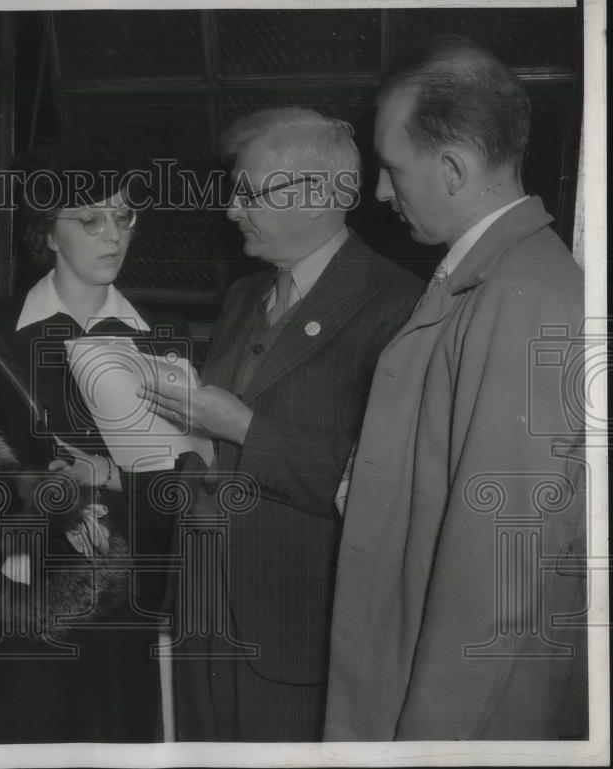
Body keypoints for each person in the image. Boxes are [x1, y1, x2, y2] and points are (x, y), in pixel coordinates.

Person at [323, 35, 587, 740]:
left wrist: (428, 749)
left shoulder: (526, 294)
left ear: (452, 167)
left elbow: (495, 584)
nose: (380, 192)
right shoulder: (488, 275)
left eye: (391, 167)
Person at [138, 108, 423, 741]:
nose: (232, 209)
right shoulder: (244, 296)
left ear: (322, 195)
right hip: (201, 619)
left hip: (295, 637)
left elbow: (388, 486)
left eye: (248, 192)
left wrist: (242, 427)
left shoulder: (401, 305)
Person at [0, 139, 185, 742]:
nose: (112, 235)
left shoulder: (160, 339)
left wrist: (112, 480)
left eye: (123, 216)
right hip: (15, 598)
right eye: (90, 219)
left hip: (122, 604)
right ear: (47, 231)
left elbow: (185, 481)